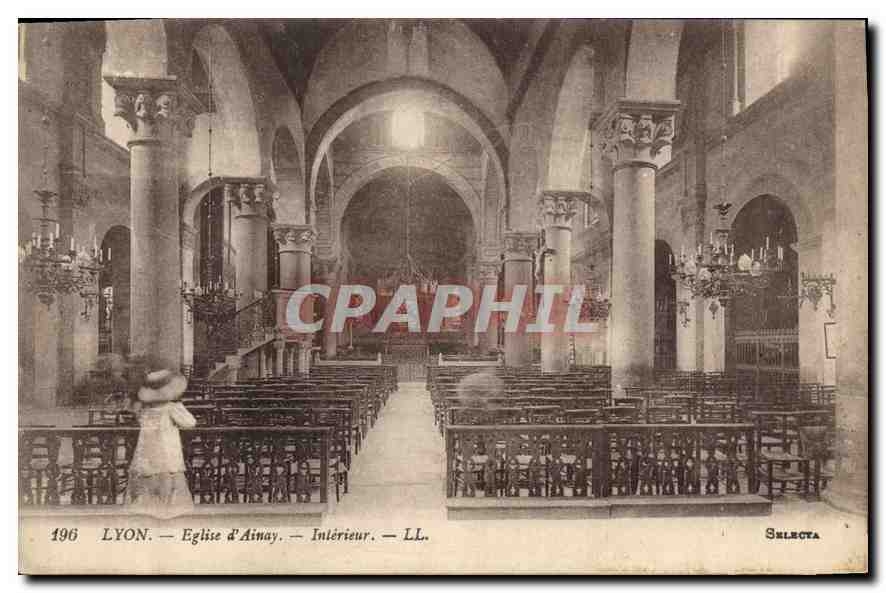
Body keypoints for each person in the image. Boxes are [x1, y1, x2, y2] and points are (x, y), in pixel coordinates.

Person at [126, 368, 196, 518]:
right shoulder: (172, 408)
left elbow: (139, 421)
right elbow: (190, 423)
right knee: (167, 478)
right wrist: (180, 405)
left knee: (148, 477)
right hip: (166, 450)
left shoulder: (145, 409)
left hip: (147, 450)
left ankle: (148, 509)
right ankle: (166, 510)